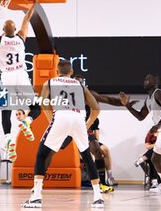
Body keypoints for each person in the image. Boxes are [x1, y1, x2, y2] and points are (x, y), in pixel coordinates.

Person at [21, 60, 104, 208]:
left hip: (61, 117)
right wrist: (87, 125)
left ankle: (36, 196)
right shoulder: (80, 85)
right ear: (71, 72)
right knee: (86, 157)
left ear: (57, 71)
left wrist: (50, 121)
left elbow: (44, 103)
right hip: (79, 118)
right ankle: (98, 197)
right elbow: (96, 109)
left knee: (41, 155)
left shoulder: (50, 82)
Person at [0, 0, 41, 160]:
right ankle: (28, 121)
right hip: (22, 76)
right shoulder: (21, 37)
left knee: (5, 110)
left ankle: (8, 137)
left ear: (3, 30)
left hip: (7, 77)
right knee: (36, 107)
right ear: (15, 29)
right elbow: (27, 18)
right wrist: (34, 3)